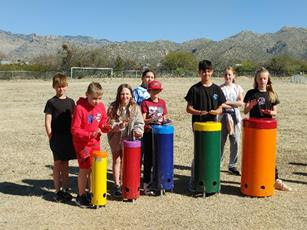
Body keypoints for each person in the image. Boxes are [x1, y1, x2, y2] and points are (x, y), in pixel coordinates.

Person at [243, 67, 291, 191]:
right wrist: (251, 105)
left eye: (265, 78)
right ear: (256, 79)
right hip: (254, 130)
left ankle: (276, 179)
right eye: (260, 78)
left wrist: (271, 112)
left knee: (269, 155)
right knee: (254, 155)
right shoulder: (251, 93)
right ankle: (255, 178)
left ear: (268, 79)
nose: (262, 80)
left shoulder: (272, 94)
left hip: (268, 131)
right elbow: (245, 111)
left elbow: (275, 112)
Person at [184, 60, 226, 192]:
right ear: (199, 72)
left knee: (212, 154)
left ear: (212, 72)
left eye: (208, 71)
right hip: (198, 127)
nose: (206, 73)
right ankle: (194, 180)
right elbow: (188, 108)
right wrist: (199, 112)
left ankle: (212, 180)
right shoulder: (194, 89)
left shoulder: (217, 89)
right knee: (199, 153)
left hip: (213, 128)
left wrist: (218, 111)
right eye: (203, 71)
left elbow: (221, 106)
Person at [71, 82, 111, 207]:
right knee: (84, 168)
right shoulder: (79, 108)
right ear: (87, 95)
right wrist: (89, 134)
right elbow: (74, 130)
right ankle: (81, 195)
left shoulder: (101, 107)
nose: (97, 101)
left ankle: (92, 193)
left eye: (99, 98)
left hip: (95, 144)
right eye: (94, 98)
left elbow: (103, 123)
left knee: (94, 168)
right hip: (82, 145)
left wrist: (107, 127)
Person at [107, 84, 144, 197]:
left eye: (127, 94)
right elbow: (108, 122)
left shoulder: (135, 107)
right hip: (115, 137)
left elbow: (139, 122)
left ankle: (125, 183)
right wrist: (117, 125)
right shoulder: (112, 107)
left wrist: (138, 130)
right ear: (119, 95)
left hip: (130, 138)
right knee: (117, 159)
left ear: (131, 95)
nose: (125, 96)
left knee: (126, 161)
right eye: (122, 94)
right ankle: (117, 185)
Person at [44, 73, 76, 202]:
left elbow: (74, 120)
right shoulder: (51, 102)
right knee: (57, 164)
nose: (60, 89)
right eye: (58, 87)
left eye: (62, 86)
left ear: (66, 86)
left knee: (66, 164)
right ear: (54, 87)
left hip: (68, 138)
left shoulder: (71, 102)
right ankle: (57, 191)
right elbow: (47, 120)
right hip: (56, 138)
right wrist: (50, 135)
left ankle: (66, 189)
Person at [141, 80, 168, 195]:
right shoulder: (145, 103)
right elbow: (143, 119)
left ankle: (158, 181)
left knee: (159, 158)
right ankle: (146, 183)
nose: (156, 92)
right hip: (148, 133)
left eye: (158, 90)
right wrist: (152, 120)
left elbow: (165, 116)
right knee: (148, 159)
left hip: (160, 134)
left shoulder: (162, 102)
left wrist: (164, 120)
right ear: (149, 91)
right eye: (153, 90)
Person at [220, 67, 244, 176]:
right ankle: (217, 164)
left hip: (236, 118)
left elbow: (240, 103)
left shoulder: (238, 88)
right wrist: (232, 103)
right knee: (220, 142)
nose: (228, 77)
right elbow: (220, 104)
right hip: (222, 118)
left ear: (234, 76)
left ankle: (232, 165)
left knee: (235, 142)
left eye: (230, 74)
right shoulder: (220, 88)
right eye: (226, 74)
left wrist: (228, 103)